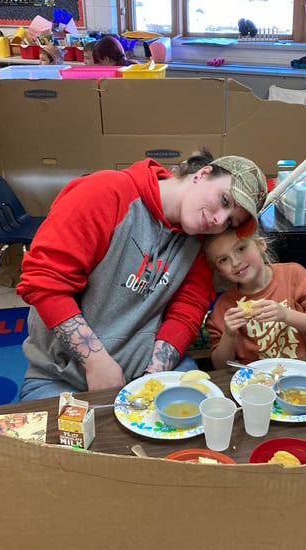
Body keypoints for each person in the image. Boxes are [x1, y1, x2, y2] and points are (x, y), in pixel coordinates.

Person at [16, 151, 268, 401]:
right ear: (202, 174)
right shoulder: (105, 191)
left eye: (231, 222)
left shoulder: (200, 242)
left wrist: (151, 379)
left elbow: (188, 311)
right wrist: (97, 363)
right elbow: (44, 281)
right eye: (224, 200)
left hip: (148, 375)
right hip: (61, 378)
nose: (218, 220)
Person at [204, 226, 306, 368]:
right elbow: (220, 366)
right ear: (220, 272)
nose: (235, 263)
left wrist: (285, 314)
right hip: (254, 380)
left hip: (302, 370)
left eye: (241, 249)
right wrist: (229, 334)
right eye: (223, 260)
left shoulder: (293, 275)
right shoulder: (223, 307)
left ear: (261, 245)